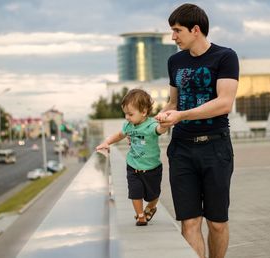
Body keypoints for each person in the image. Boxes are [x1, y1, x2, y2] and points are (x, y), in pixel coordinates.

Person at [155, 3, 239, 258]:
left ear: (196, 29)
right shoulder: (175, 61)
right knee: (189, 222)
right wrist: (161, 119)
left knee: (217, 223)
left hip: (216, 148)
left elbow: (224, 102)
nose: (173, 37)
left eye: (177, 30)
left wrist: (182, 115)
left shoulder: (225, 57)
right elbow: (173, 102)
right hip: (181, 149)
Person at [96, 89, 167, 226]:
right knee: (135, 193)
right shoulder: (128, 126)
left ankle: (151, 207)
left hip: (152, 168)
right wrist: (106, 142)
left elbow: (160, 130)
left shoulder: (151, 125)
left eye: (130, 114)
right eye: (125, 114)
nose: (127, 117)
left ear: (144, 112)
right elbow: (119, 135)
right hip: (133, 166)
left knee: (154, 195)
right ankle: (141, 216)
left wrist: (164, 124)